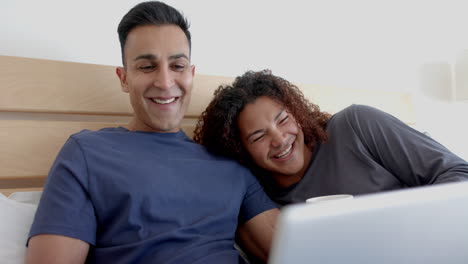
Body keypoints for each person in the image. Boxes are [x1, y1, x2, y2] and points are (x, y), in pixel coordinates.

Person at [26, 2, 278, 263]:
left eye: (178, 66)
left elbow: (299, 248)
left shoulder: (229, 165)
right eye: (147, 67)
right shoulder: (87, 153)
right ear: (124, 79)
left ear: (191, 74)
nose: (165, 83)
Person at [194, 69, 468, 206]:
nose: (279, 139)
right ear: (241, 149)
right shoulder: (261, 203)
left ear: (297, 113)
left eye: (283, 120)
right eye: (258, 136)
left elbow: (459, 173)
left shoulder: (357, 125)